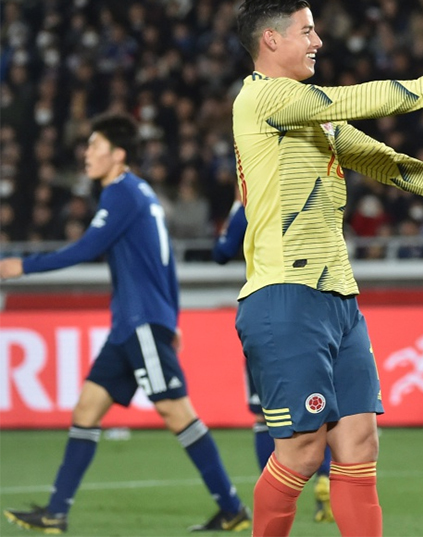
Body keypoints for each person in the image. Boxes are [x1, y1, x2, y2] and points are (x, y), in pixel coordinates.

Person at [232, 0, 423, 537]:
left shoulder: (312, 115)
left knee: (358, 444)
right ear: (270, 39)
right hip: (284, 294)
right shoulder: (261, 99)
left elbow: (391, 165)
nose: (318, 40)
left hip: (336, 297)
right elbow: (355, 99)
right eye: (307, 31)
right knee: (302, 452)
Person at [0, 113, 252, 533]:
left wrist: (22, 266)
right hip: (132, 324)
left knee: (175, 411)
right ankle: (55, 514)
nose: (86, 154)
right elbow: (164, 262)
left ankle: (232, 509)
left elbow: (87, 248)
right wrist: (172, 318)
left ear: (118, 155)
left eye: (94, 146)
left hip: (141, 322)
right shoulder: (141, 192)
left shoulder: (120, 193)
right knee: (86, 409)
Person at [212, 198, 335, 524]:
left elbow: (222, 253)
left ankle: (275, 494)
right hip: (315, 306)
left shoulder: (250, 202)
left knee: (264, 415)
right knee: (319, 404)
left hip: (267, 310)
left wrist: (235, 213)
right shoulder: (306, 192)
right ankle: (325, 477)